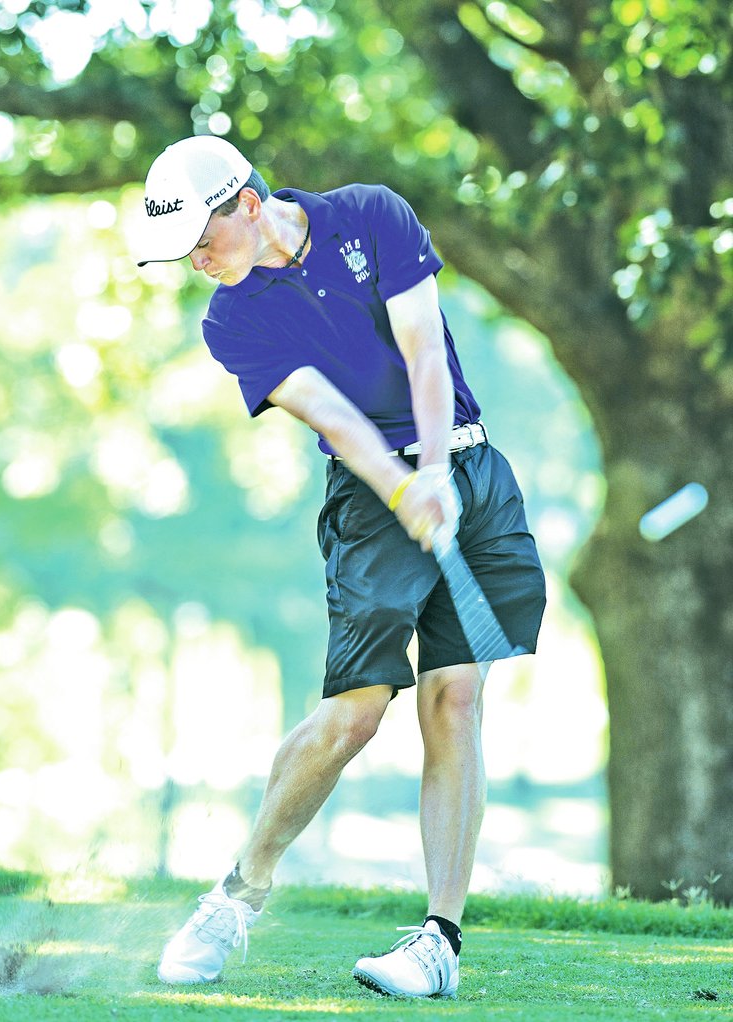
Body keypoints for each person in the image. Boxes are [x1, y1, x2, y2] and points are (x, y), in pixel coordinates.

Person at [132, 134, 546, 999]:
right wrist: (404, 485)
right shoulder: (232, 319)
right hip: (370, 497)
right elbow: (336, 418)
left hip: (466, 465)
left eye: (202, 241)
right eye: (184, 255)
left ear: (248, 203)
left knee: (456, 695)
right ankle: (239, 892)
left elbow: (425, 349)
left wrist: (436, 470)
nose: (197, 263)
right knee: (353, 717)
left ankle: (439, 942)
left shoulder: (370, 215)